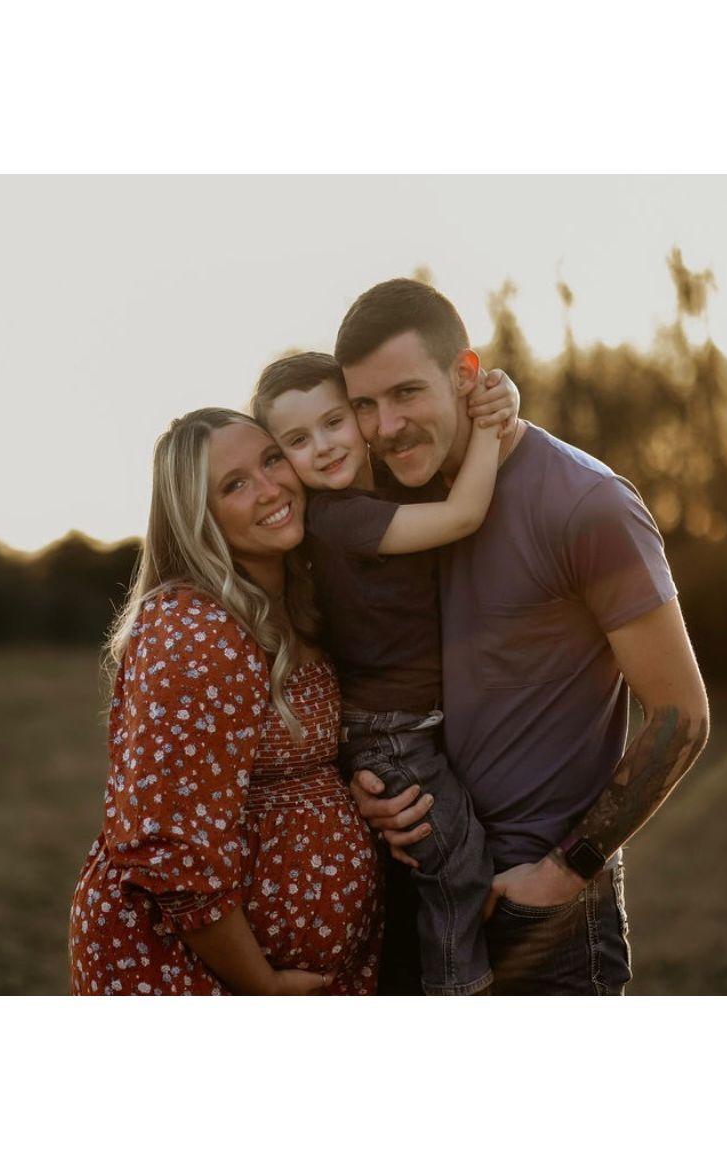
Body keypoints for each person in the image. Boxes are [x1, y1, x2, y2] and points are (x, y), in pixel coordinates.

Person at [336, 278, 710, 995]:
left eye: (406, 393)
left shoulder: (586, 502)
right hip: (423, 894)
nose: (385, 427)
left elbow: (681, 716)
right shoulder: (390, 509)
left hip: (544, 915)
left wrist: (565, 870)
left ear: (465, 375)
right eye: (365, 404)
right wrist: (368, 784)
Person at [68, 407, 381, 994]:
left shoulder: (302, 599)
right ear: (198, 517)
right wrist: (262, 985)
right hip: (182, 967)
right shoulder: (195, 629)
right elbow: (171, 844)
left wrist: (357, 793)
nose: (270, 488)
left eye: (272, 460)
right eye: (235, 485)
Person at [251, 352, 512, 996]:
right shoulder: (338, 518)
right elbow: (463, 515)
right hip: (389, 732)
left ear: (360, 416)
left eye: (333, 421)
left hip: (412, 722)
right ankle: (459, 989)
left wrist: (496, 395)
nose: (323, 446)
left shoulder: (384, 492)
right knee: (456, 862)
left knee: (445, 859)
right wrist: (491, 426)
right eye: (297, 441)